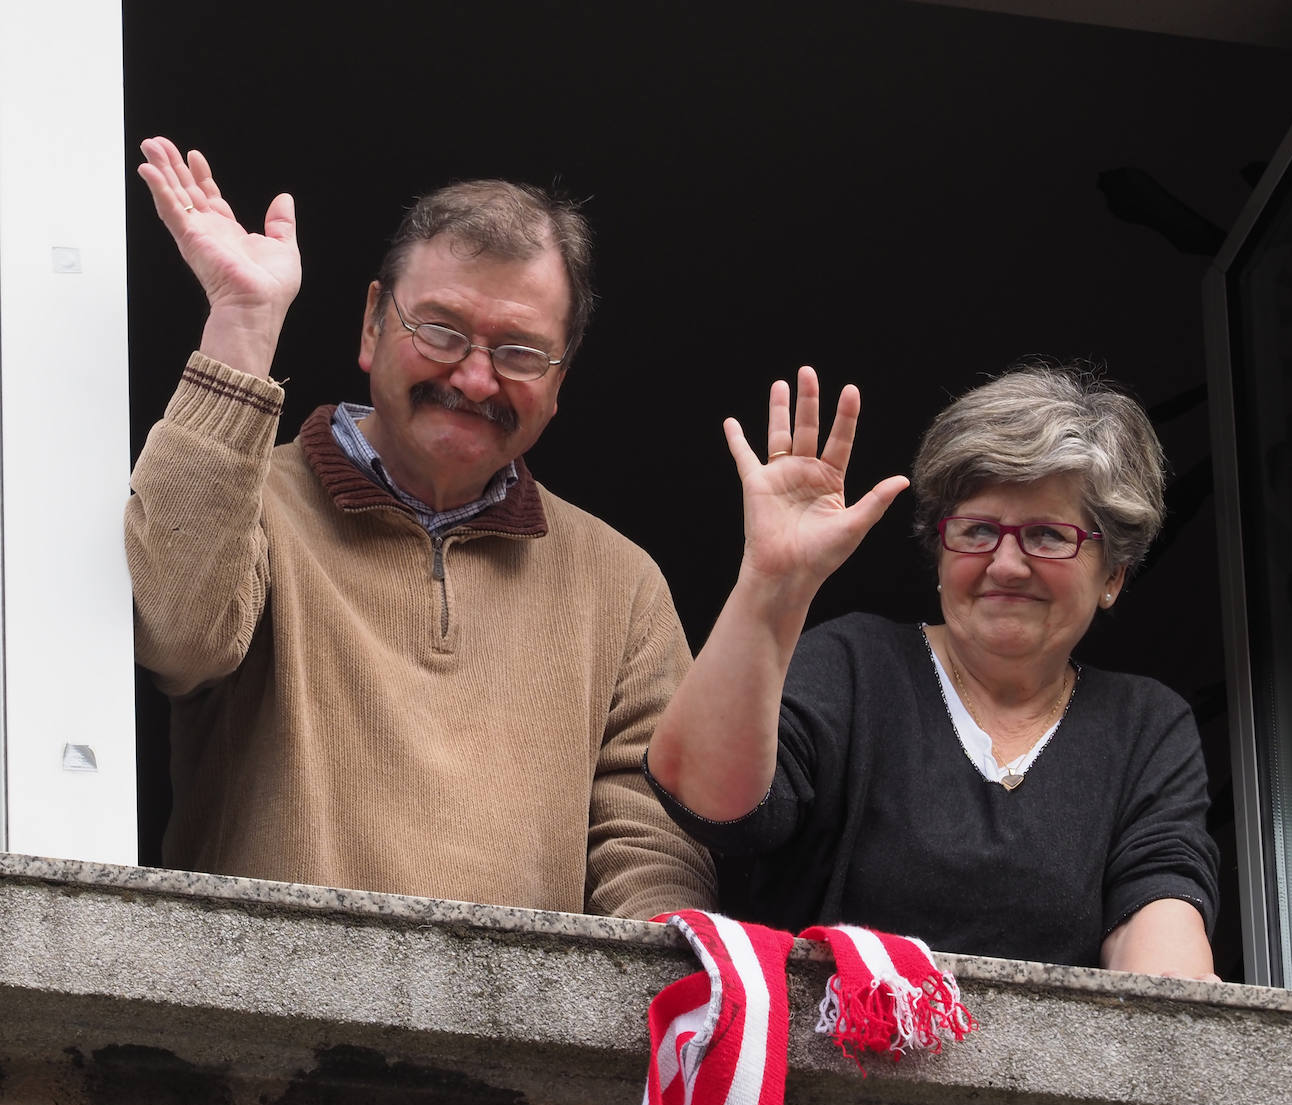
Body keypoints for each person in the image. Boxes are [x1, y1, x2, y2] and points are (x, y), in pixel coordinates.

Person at [126, 137, 714, 919]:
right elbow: (170, 631)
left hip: (521, 1007)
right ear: (373, 324)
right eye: (440, 330)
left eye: (519, 353)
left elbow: (651, 853)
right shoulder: (249, 502)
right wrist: (243, 324)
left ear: (559, 382)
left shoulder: (623, 583)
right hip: (256, 1000)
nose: (473, 377)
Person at [645, 364, 1220, 975]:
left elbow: (1159, 917)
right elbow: (705, 796)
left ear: (1113, 576)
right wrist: (771, 583)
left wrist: (1186, 1014)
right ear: (940, 552)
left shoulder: (1145, 725)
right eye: (978, 530)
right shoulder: (855, 664)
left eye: (1048, 536)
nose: (1006, 565)